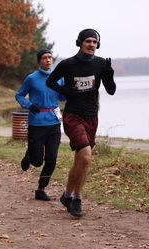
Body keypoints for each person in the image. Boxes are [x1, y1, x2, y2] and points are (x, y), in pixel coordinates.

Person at [46, 29, 116, 218]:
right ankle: (77, 198)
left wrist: (109, 76)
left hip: (92, 116)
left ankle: (67, 195)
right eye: (88, 41)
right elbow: (50, 82)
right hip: (72, 116)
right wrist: (65, 90)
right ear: (80, 43)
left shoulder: (101, 64)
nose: (92, 44)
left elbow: (111, 91)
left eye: (95, 42)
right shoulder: (67, 64)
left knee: (80, 161)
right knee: (85, 156)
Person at [15, 48, 65, 201]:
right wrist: (29, 105)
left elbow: (63, 97)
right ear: (39, 61)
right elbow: (19, 95)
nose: (48, 60)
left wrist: (71, 90)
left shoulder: (59, 78)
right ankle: (30, 155)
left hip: (54, 122)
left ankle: (41, 189)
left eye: (50, 57)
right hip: (36, 123)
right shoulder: (32, 78)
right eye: (44, 58)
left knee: (52, 159)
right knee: (37, 161)